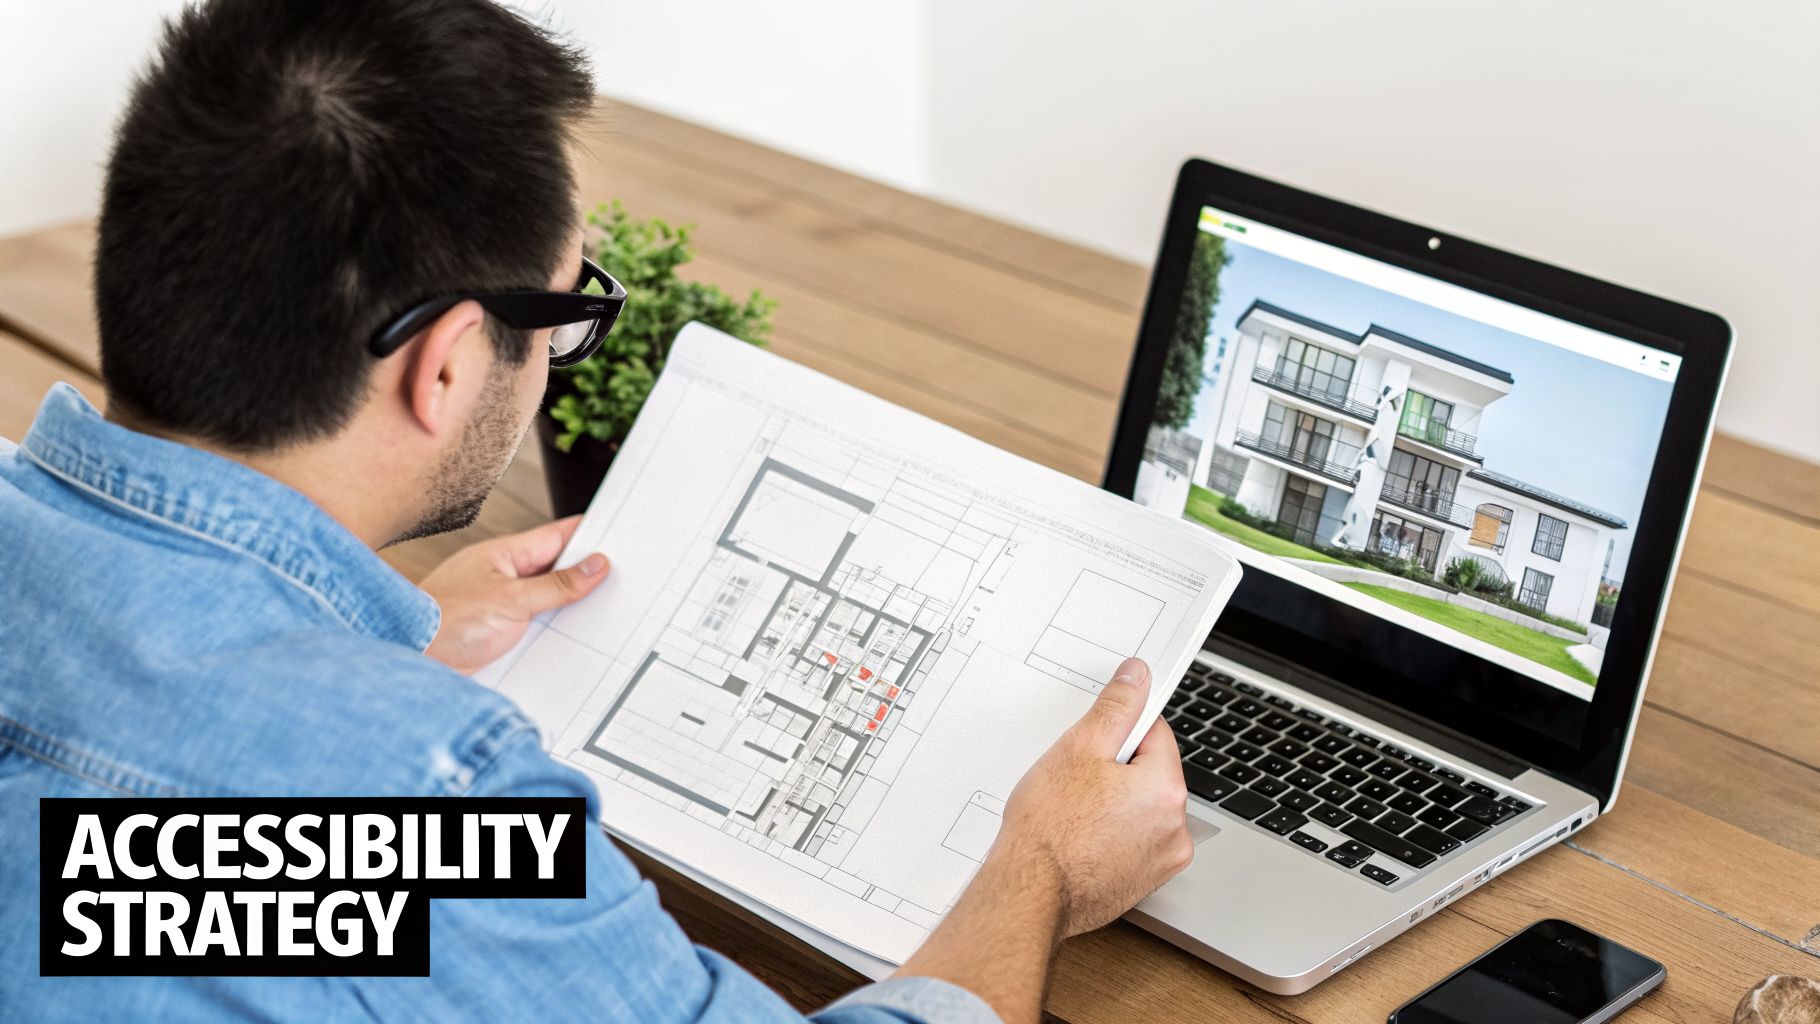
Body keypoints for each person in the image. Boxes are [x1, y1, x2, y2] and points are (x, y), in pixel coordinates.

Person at [0, 1, 1192, 1020]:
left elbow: (121, 882)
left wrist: (373, 643)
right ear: (450, 365)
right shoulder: (417, 799)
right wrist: (1038, 866)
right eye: (569, 310)